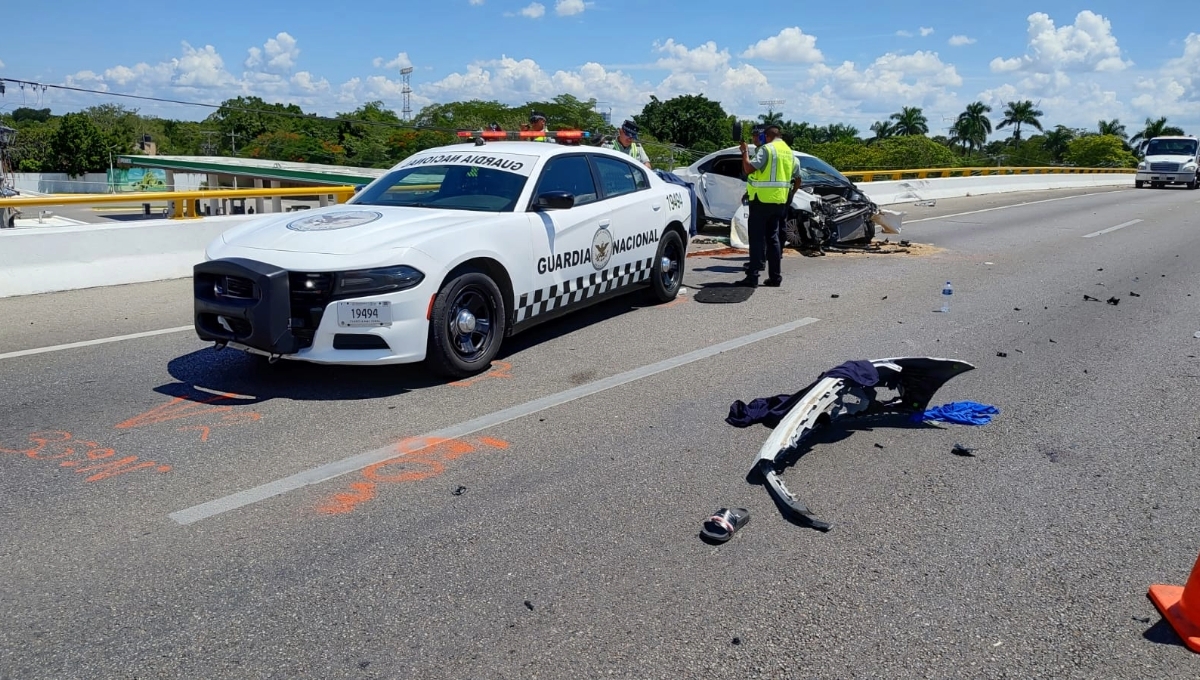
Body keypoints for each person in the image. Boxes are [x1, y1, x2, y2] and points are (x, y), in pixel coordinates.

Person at [737, 125, 802, 287]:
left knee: (757, 238)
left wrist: (744, 152)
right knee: (773, 239)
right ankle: (775, 277)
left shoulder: (767, 150)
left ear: (767, 136)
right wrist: (790, 194)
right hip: (780, 202)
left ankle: (752, 277)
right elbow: (798, 178)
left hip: (761, 201)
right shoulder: (789, 153)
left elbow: (748, 169)